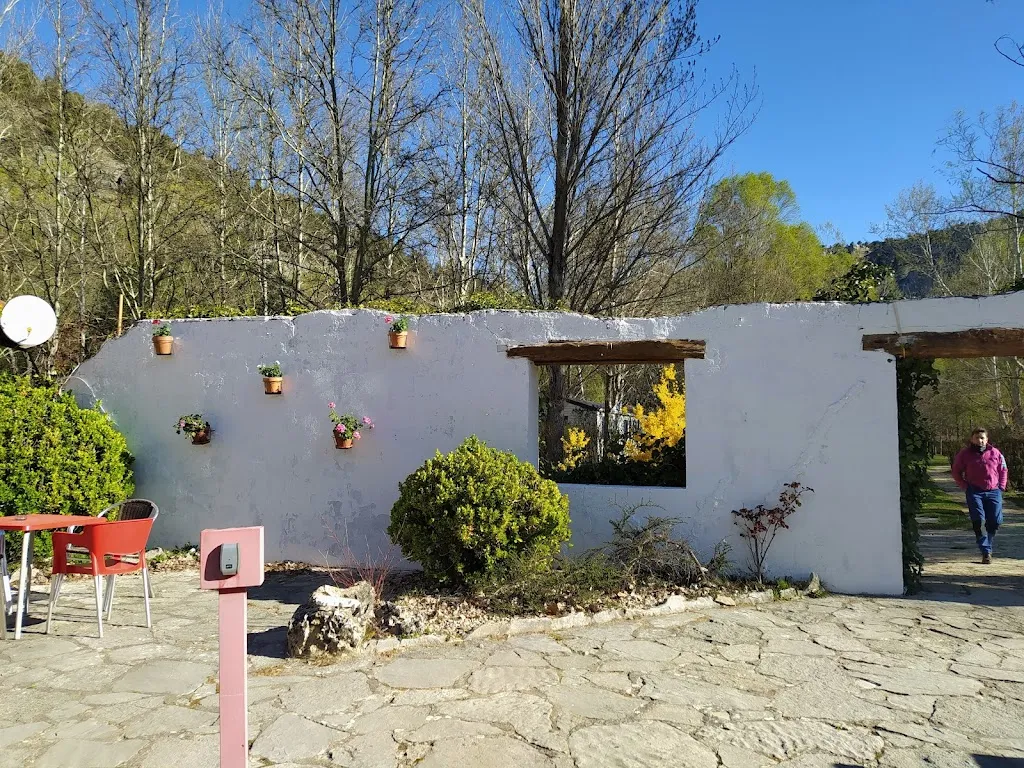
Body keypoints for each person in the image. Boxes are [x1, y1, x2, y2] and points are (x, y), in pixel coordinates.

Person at [951, 428, 1008, 564]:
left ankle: (988, 542)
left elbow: (1003, 470)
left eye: (982, 438)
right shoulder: (964, 454)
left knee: (995, 521)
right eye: (977, 438)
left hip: (994, 491)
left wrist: (1001, 486)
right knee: (979, 521)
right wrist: (964, 486)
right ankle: (986, 551)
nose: (980, 440)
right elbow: (956, 471)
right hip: (975, 491)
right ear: (972, 439)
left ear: (987, 439)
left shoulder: (995, 453)